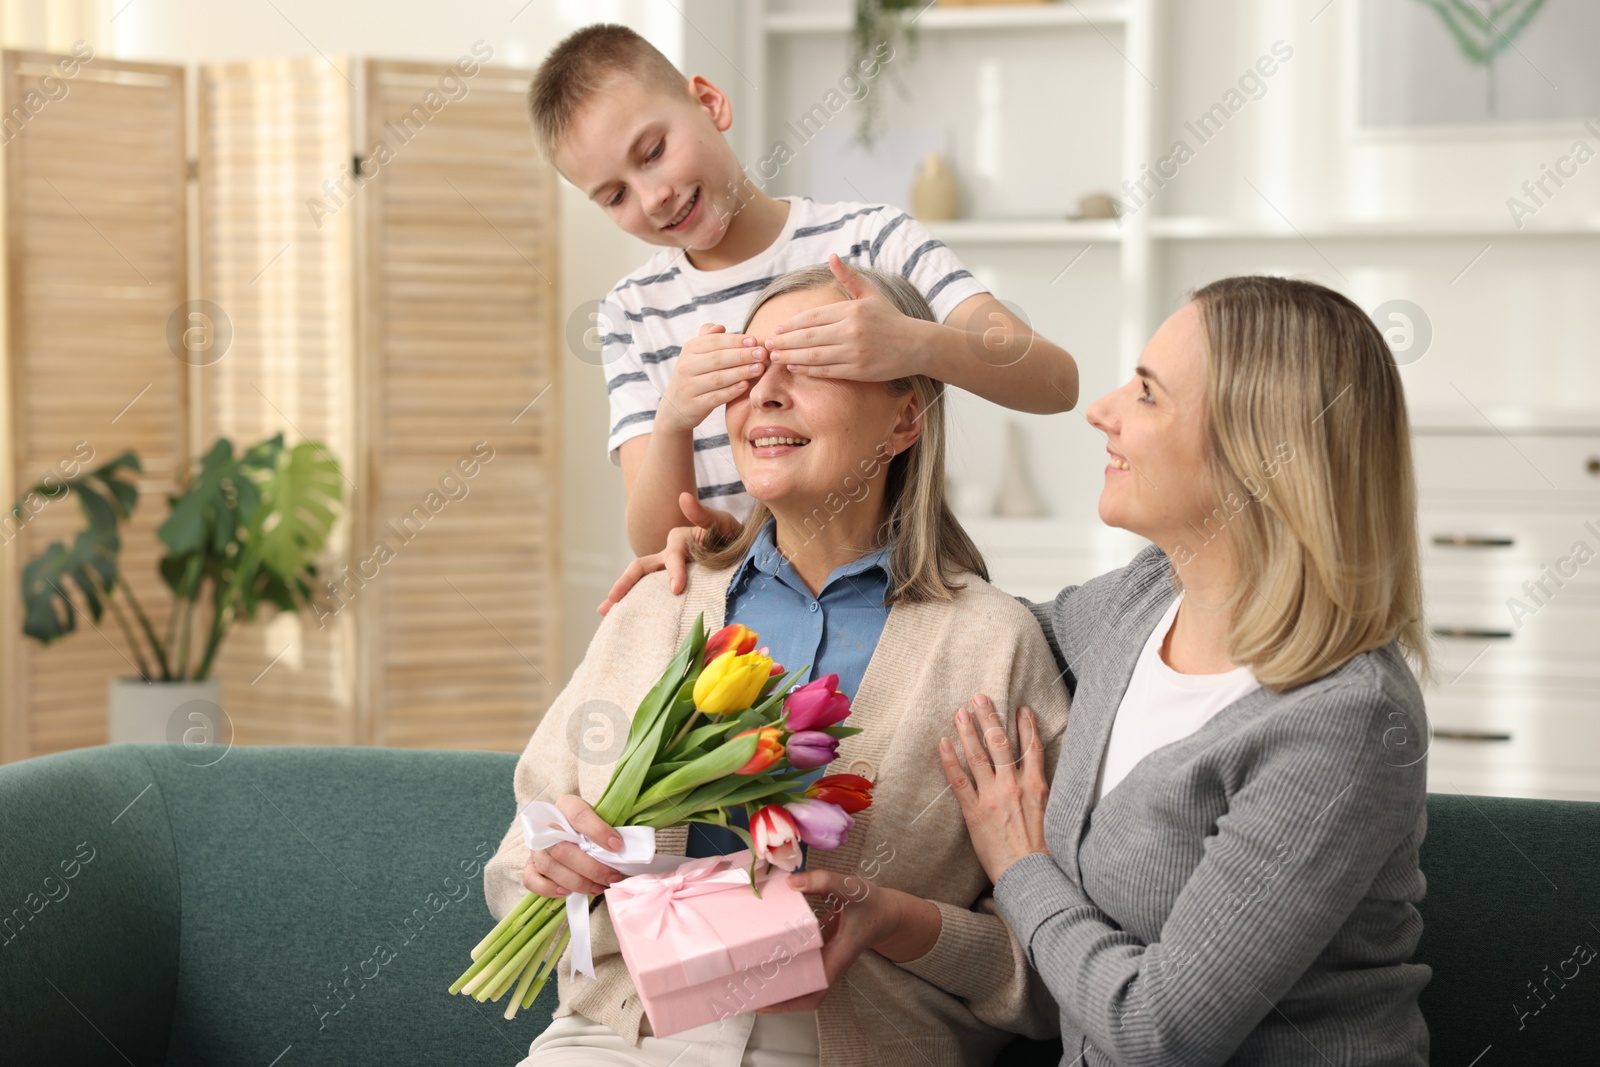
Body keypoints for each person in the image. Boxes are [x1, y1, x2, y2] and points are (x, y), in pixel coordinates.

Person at [609, 275, 1435, 1066]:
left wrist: (1019, 867)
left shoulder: (1344, 718)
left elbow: (1158, 1035)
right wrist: (742, 558)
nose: (1102, 411)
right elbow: (961, 635)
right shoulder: (1147, 602)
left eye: (1146, 393)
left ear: (1261, 447)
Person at [483, 265, 1070, 1067]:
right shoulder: (659, 604)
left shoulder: (992, 645)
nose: (767, 392)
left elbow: (1048, 966)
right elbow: (515, 865)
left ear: (905, 419)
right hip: (616, 1035)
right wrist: (556, 870)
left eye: (814, 361)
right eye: (751, 367)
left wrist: (894, 916)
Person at [527, 23, 1081, 555]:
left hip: (887, 599)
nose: (651, 197)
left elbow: (1056, 383)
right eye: (615, 196)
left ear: (710, 102)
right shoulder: (632, 311)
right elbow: (655, 543)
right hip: (740, 623)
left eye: (652, 152)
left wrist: (916, 344)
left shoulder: (874, 239)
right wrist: (675, 418)